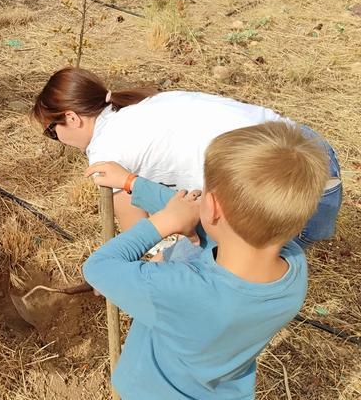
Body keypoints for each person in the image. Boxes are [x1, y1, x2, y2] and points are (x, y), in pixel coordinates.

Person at [83, 121, 328, 399]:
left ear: (211, 208)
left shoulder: (177, 288)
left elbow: (99, 267)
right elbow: (207, 217)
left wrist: (163, 222)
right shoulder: (293, 267)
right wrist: (132, 183)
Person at [32, 66, 342, 248]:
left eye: (51, 131)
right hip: (314, 155)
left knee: (210, 265)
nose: (56, 139)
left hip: (284, 189)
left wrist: (121, 271)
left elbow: (142, 238)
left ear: (72, 118)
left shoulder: (105, 151)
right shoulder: (150, 103)